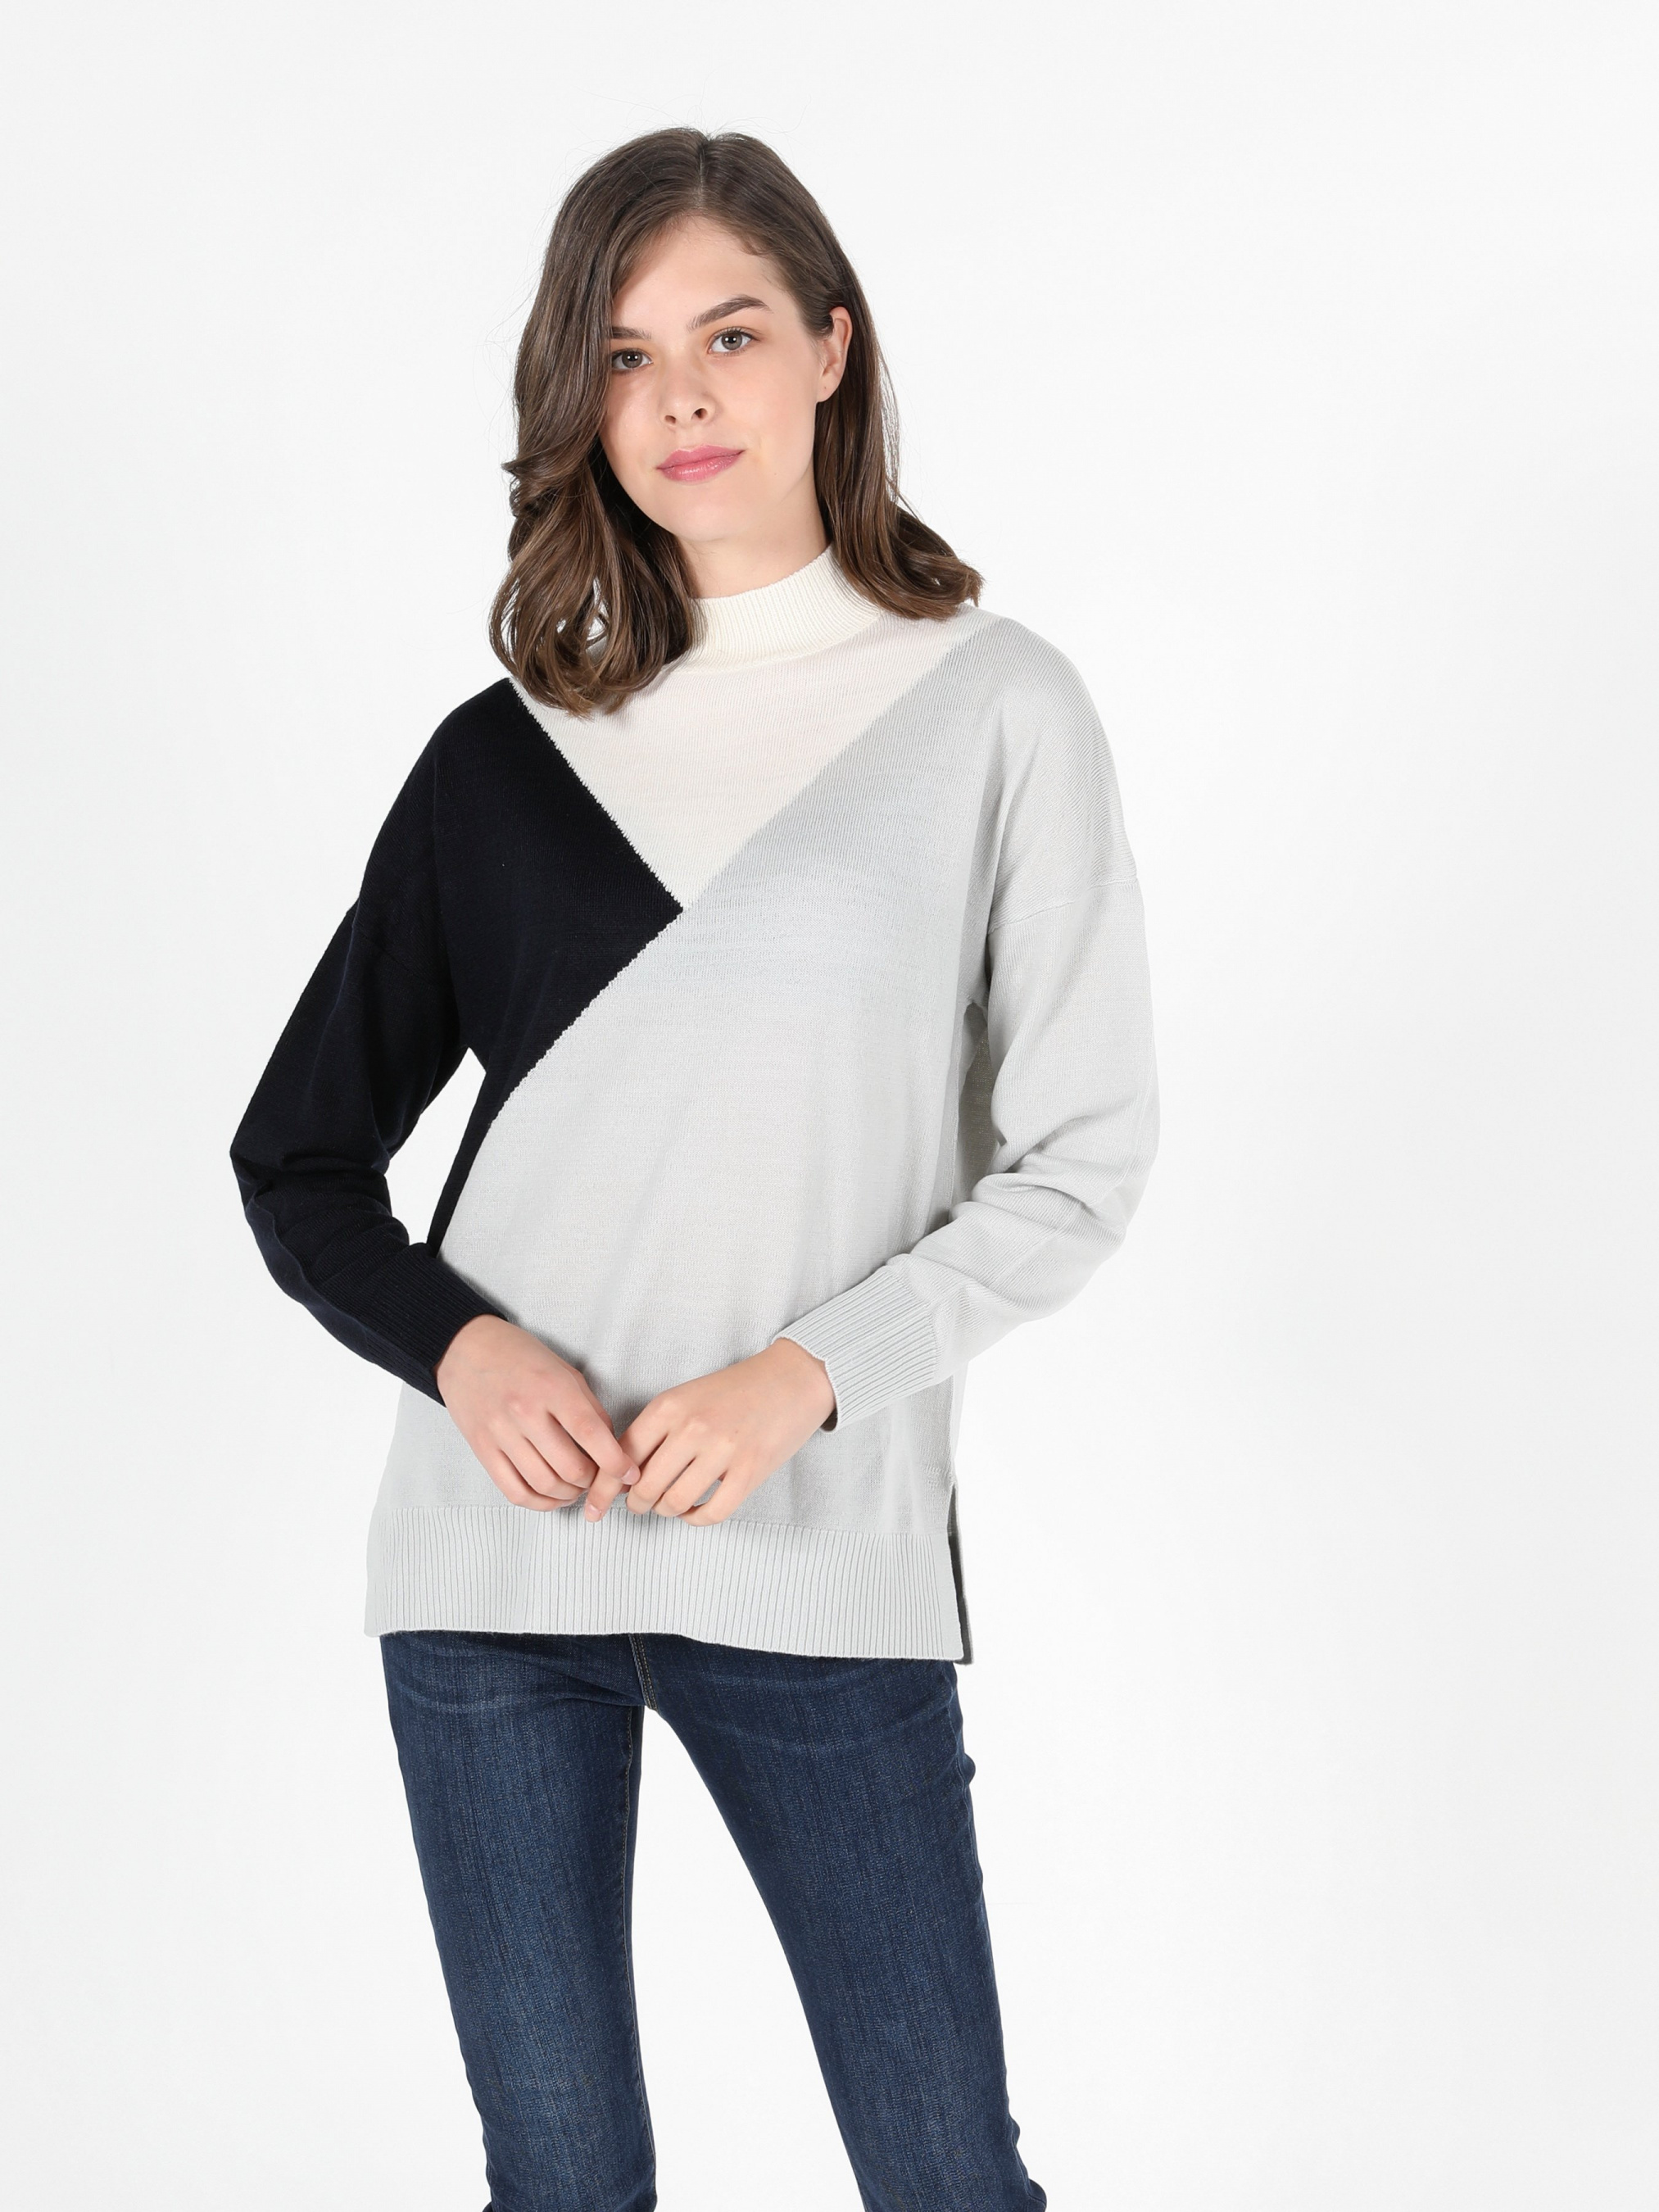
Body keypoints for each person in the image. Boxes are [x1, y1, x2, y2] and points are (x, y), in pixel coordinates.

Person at [230, 125, 1158, 2212]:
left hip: (815, 1563)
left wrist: (799, 1381)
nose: (677, 398)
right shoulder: (502, 756)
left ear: (831, 347)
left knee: (945, 2176)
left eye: (727, 335)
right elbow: (298, 1157)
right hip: (490, 1574)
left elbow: (1079, 1162)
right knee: (560, 2187)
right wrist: (465, 1356)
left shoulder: (991, 710)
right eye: (623, 355)